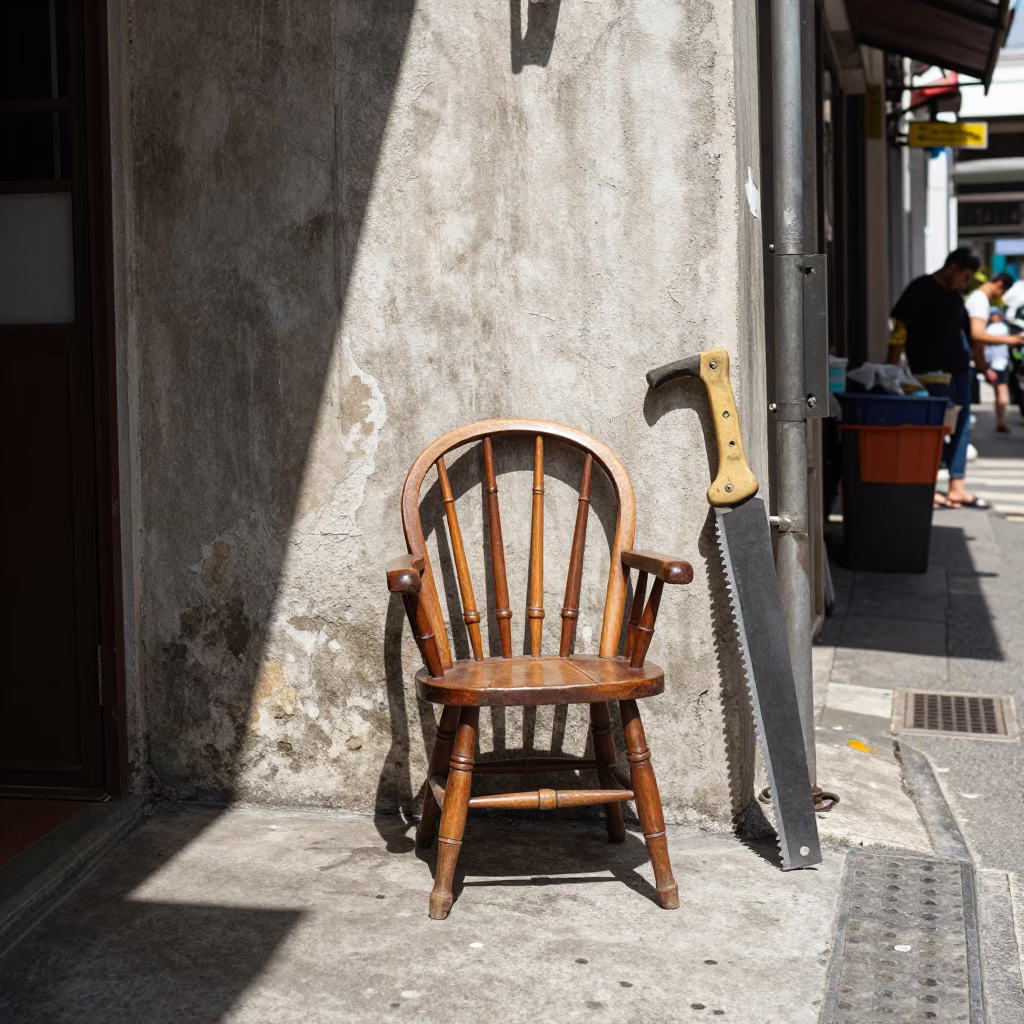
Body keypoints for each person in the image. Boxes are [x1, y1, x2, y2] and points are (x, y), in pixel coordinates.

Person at [887, 248, 989, 509]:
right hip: (930, 375)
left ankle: (957, 487)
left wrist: (981, 365)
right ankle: (927, 487)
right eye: (966, 277)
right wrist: (891, 368)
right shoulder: (920, 289)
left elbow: (968, 333)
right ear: (953, 268)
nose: (966, 284)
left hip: (959, 373)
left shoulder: (955, 298)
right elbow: (900, 330)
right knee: (932, 431)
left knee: (961, 427)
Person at [965, 273, 1018, 435]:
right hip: (972, 365)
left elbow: (978, 343)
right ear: (999, 285)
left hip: (976, 363)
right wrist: (1012, 340)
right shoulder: (981, 301)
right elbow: (977, 336)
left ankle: (1000, 420)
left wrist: (984, 367)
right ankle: (1001, 420)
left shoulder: (976, 298)